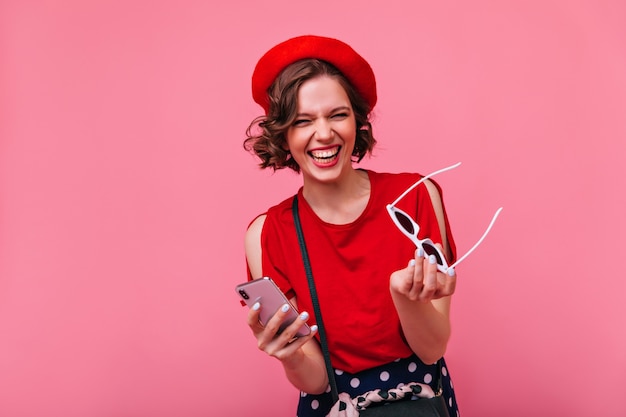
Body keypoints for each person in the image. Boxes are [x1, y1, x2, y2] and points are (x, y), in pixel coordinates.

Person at [242, 35, 460, 417]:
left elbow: (432, 348)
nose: (323, 134)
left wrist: (405, 300)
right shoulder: (267, 233)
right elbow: (316, 381)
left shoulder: (416, 196)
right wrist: (289, 357)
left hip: (421, 404)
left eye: (337, 115)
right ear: (283, 135)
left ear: (357, 121)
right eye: (302, 121)